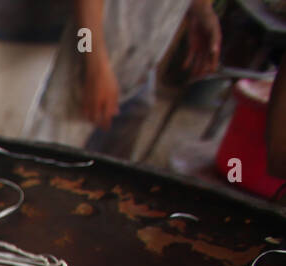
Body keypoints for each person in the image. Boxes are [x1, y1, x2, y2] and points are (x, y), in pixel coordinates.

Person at [27, 0, 222, 158]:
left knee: (107, 171)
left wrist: (201, 8)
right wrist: (95, 66)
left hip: (143, 61)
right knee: (51, 158)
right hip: (93, 56)